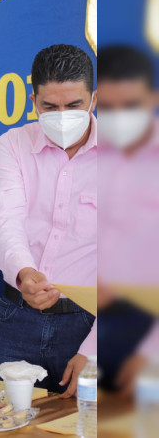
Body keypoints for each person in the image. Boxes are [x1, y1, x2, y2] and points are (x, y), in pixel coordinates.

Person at [0, 44, 97, 396]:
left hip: (87, 321)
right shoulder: (13, 144)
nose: (62, 115)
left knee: (86, 426)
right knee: (5, 424)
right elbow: (6, 220)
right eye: (50, 107)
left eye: (74, 105)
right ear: (33, 100)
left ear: (93, 99)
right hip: (17, 317)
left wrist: (95, 349)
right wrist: (24, 273)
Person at [95, 45, 159, 393]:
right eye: (107, 108)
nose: (119, 117)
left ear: (153, 98)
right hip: (92, 323)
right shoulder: (87, 157)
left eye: (131, 106)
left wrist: (152, 354)